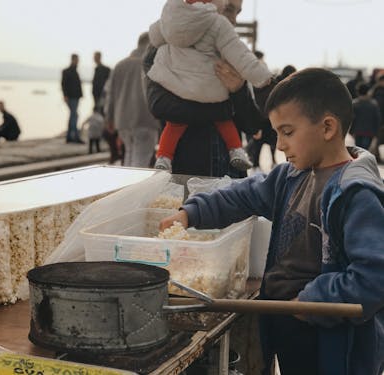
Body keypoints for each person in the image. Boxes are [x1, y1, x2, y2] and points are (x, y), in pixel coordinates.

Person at [160, 68, 384, 375]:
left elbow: (373, 278)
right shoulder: (290, 176)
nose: (279, 145)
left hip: (328, 339)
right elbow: (242, 195)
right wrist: (191, 212)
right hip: (284, 322)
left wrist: (312, 300)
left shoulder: (356, 195)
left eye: (287, 132)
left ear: (328, 127)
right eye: (276, 132)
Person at [144, 0, 272, 178]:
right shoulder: (164, 45)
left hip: (230, 174)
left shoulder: (236, 55)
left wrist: (239, 90)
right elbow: (159, 105)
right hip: (186, 172)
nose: (234, 20)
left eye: (238, 12)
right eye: (229, 9)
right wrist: (223, 109)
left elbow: (252, 124)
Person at [104, 32, 160, 168]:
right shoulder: (151, 64)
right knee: (140, 163)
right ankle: (134, 189)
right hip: (145, 119)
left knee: (128, 157)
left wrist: (109, 118)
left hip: (122, 121)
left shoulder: (119, 65)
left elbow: (111, 95)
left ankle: (126, 188)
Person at [61, 53, 84, 144]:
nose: (78, 61)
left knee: (73, 116)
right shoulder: (67, 71)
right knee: (74, 116)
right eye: (77, 59)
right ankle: (74, 136)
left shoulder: (75, 71)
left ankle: (70, 136)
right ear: (73, 60)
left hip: (76, 97)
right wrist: (65, 95)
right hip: (71, 97)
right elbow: (63, 84)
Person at [350, 83, 381, 150]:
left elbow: (351, 119)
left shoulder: (354, 103)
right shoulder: (373, 104)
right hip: (369, 131)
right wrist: (376, 133)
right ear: (367, 91)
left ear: (358, 92)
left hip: (358, 131)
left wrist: (351, 131)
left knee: (358, 149)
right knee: (365, 149)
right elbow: (377, 119)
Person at [371, 73, 384, 163]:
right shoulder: (378, 92)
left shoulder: (374, 91)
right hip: (379, 120)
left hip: (378, 120)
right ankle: (376, 156)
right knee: (377, 139)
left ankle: (377, 155)